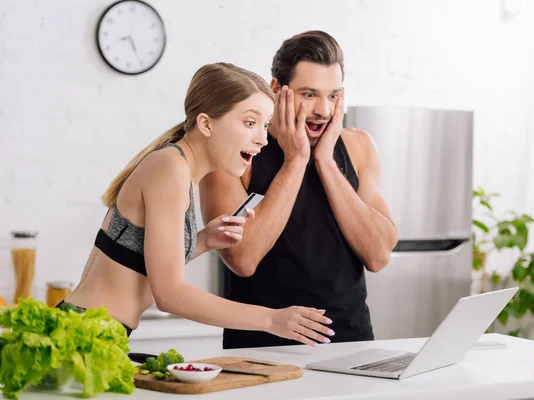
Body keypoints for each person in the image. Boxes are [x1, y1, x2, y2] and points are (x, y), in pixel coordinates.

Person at [61, 63, 333, 347]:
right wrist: (271, 320)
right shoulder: (171, 167)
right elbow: (170, 295)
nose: (263, 139)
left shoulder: (179, 169)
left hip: (92, 332)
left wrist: (202, 241)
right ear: (206, 124)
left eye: (265, 125)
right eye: (250, 123)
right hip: (84, 337)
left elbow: (136, 262)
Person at [200, 32, 398, 349]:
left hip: (351, 344)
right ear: (276, 89)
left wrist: (326, 163)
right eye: (310, 94)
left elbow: (378, 255)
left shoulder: (359, 146)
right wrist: (296, 160)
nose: (323, 110)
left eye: (333, 96)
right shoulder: (235, 151)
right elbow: (243, 258)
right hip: (262, 350)